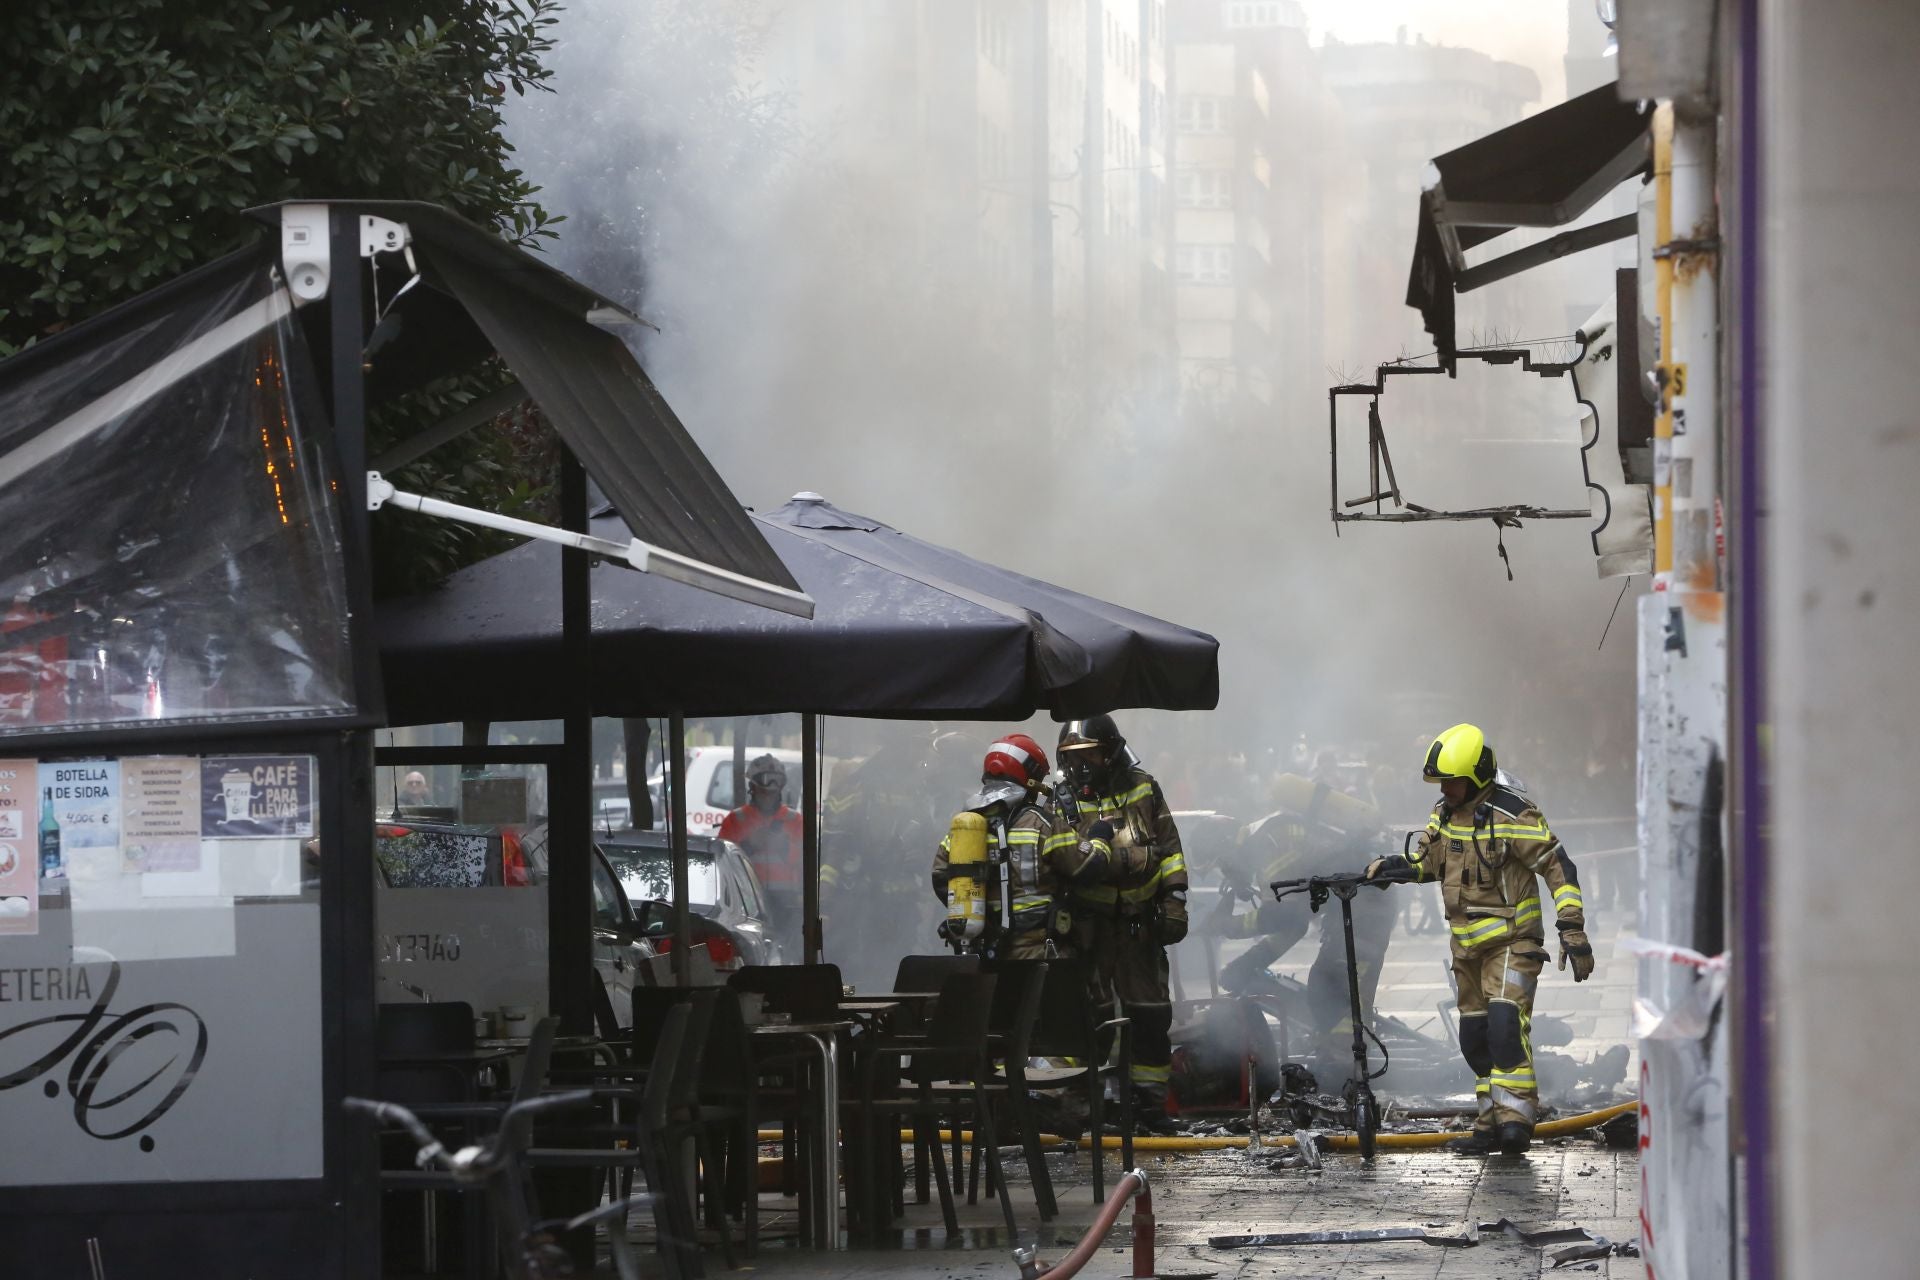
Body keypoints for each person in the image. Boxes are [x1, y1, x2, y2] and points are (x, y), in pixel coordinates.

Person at [1365, 724, 1594, 1156]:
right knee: (1475, 1040)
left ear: (1477, 776)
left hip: (1514, 942)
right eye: (1442, 783)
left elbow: (1558, 867)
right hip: (1465, 949)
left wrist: (1572, 928)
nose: (1446, 789)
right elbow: (1429, 862)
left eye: (1452, 781)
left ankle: (1517, 1122)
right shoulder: (1445, 813)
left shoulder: (1514, 815)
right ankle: (1489, 1123)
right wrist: (1396, 867)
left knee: (1506, 1028)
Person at [1212, 773, 1395, 1088]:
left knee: (1331, 986)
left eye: (1223, 866)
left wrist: (1228, 927)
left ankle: (1347, 1076)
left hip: (1364, 907)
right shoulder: (1268, 837)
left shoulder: (1267, 846)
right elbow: (1294, 923)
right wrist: (1252, 961)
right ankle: (1347, 1072)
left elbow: (1285, 915)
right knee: (1331, 987)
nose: (1233, 879)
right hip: (1358, 904)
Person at [1056, 714, 1188, 1133]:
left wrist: (1175, 901)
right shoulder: (1061, 799)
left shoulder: (1143, 786)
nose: (1081, 766)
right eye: (1072, 757)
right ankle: (1079, 1107)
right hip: (1088, 928)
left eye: (1089, 755)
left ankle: (1149, 1107)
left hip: (1139, 927)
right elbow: (1064, 861)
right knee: (1085, 1017)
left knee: (1149, 1015)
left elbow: (1169, 851)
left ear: (1110, 752)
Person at [929, 734, 1094, 960]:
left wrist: (980, 918)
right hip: (1036, 952)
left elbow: (940, 875)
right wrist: (1100, 838)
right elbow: (1088, 866)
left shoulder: (965, 826)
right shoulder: (1041, 824)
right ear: (1028, 777)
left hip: (984, 951)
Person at [718, 754, 804, 956]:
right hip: (747, 903)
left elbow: (804, 863)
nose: (771, 790)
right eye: (766, 781)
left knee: (785, 953)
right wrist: (749, 844)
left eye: (777, 781)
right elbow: (723, 862)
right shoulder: (737, 819)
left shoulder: (794, 820)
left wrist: (784, 848)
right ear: (754, 786)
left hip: (785, 903)